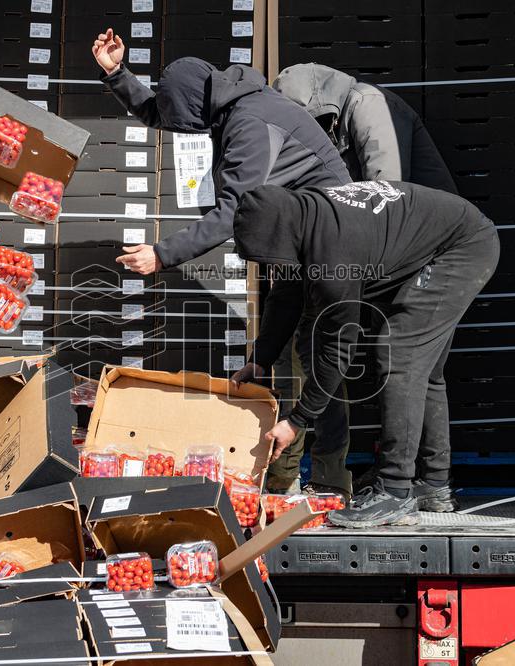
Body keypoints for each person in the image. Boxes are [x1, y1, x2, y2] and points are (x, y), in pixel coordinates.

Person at [92, 30, 353, 496]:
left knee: (309, 360)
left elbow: (234, 209)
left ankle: (308, 485)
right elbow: (168, 113)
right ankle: (297, 480)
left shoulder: (251, 124)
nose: (184, 126)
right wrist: (118, 74)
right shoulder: (228, 101)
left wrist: (162, 254)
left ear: (198, 101)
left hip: (328, 244)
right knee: (288, 351)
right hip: (297, 243)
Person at [231, 180, 499, 527]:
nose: (268, 265)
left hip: (462, 246)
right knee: (425, 372)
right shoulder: (302, 220)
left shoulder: (332, 257)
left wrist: (296, 421)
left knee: (400, 355)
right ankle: (434, 484)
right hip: (443, 237)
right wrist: (261, 359)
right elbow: (285, 295)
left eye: (266, 256)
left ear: (279, 236)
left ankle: (394, 490)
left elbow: (338, 351)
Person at [270, 63, 459, 503]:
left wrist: (339, 268)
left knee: (413, 365)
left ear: (319, 108)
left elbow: (384, 197)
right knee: (328, 344)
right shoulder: (321, 127)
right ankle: (386, 480)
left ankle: (427, 484)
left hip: (433, 250)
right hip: (395, 250)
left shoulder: (366, 103)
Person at [273, 63, 456, 191]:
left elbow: (386, 191)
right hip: (398, 224)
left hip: (428, 230)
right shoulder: (335, 116)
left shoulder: (368, 103)